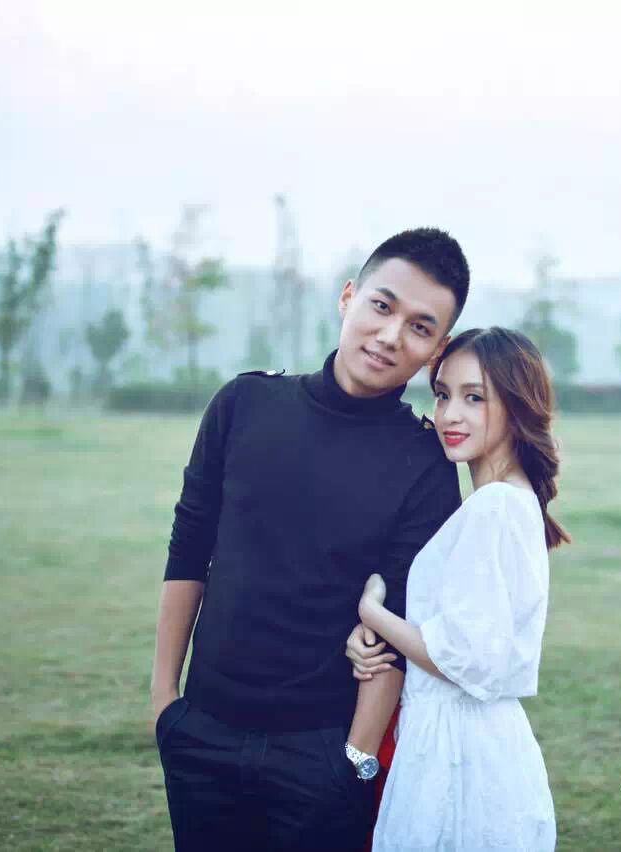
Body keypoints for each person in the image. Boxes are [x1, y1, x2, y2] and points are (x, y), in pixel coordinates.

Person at [150, 227, 470, 850]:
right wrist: (166, 701)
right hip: (202, 734)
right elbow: (188, 548)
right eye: (382, 306)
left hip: (323, 753)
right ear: (348, 297)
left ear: (437, 349)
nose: (390, 336)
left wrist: (354, 760)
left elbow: (401, 617)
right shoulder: (244, 403)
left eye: (419, 327)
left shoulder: (426, 461)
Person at [345, 327, 568, 851]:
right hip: (467, 742)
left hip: (460, 755)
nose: (449, 415)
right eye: (443, 395)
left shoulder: (495, 507)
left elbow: (462, 659)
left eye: (474, 398)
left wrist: (373, 613)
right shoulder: (506, 500)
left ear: (517, 406)